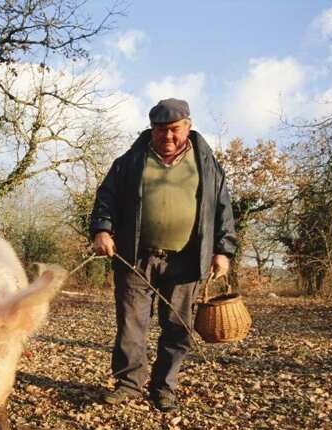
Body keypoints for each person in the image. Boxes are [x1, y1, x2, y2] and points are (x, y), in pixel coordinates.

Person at [89, 98, 237, 412]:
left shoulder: (206, 163)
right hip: (135, 256)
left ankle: (164, 387)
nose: (167, 137)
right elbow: (106, 198)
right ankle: (129, 384)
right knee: (131, 325)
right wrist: (102, 230)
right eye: (160, 130)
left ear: (188, 126)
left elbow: (222, 209)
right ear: (151, 129)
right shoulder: (130, 161)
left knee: (178, 327)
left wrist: (223, 250)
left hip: (186, 259)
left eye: (174, 130)